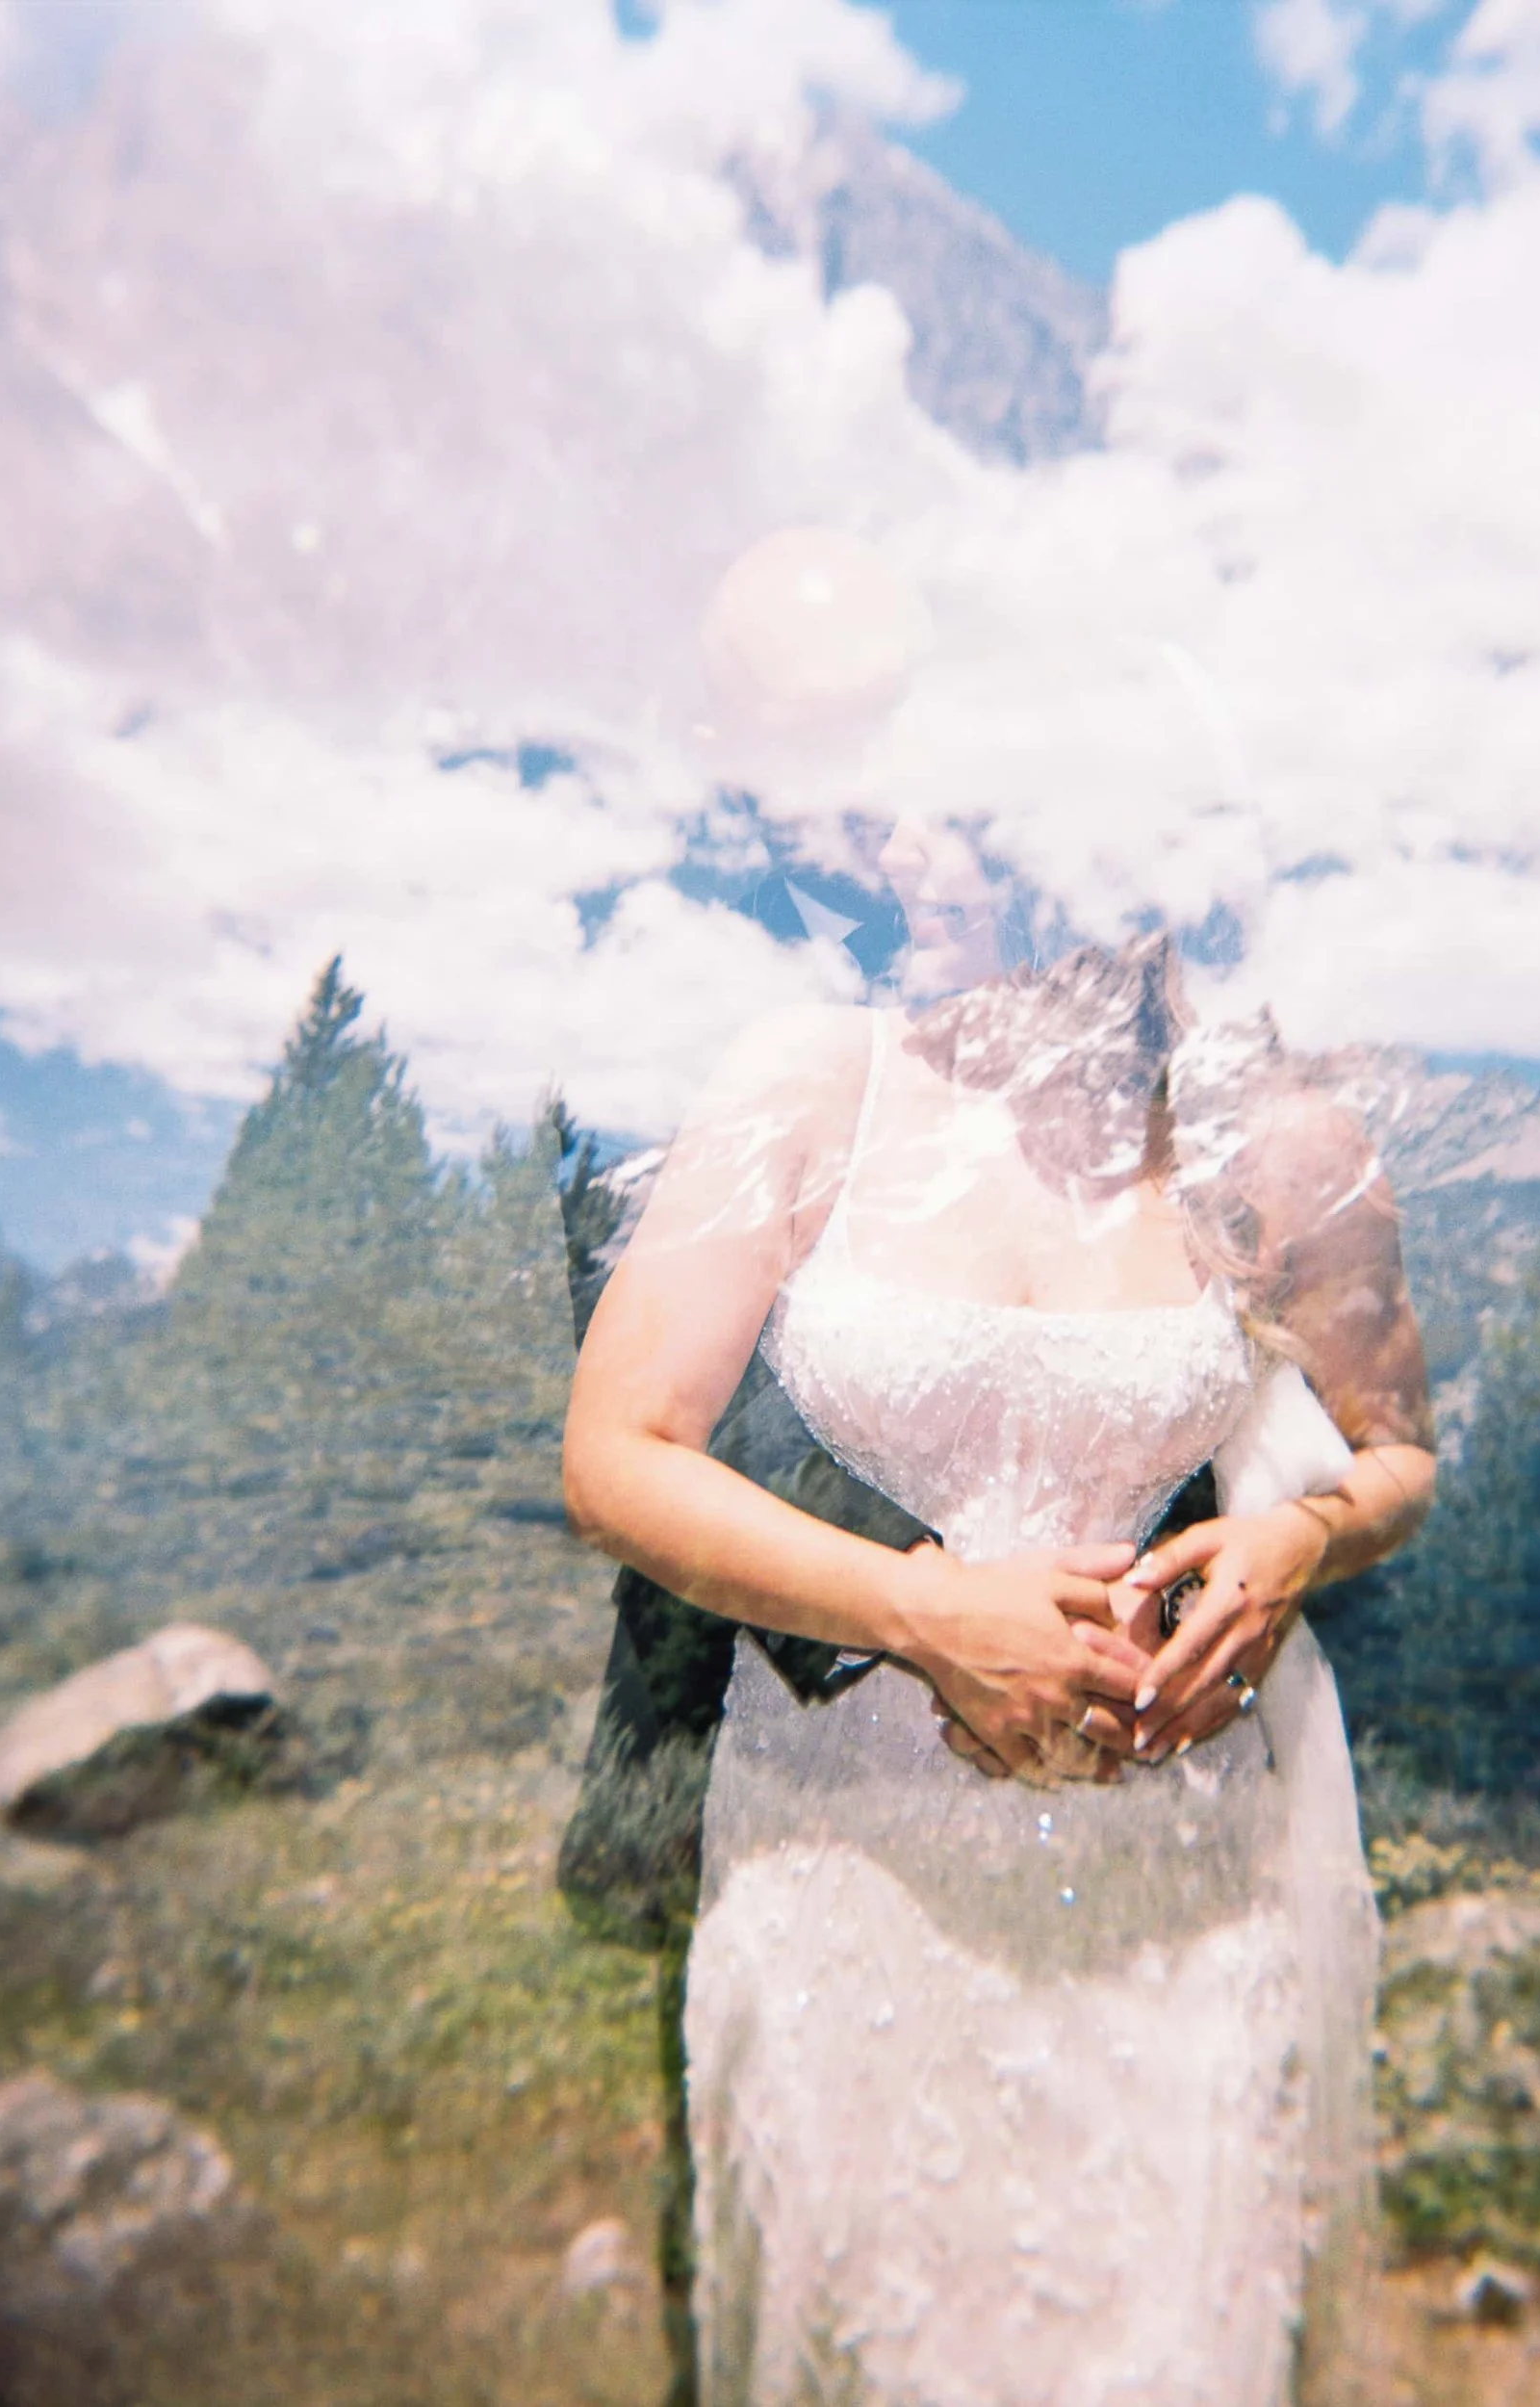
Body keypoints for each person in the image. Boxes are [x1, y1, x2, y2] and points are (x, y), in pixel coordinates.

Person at [563, 816, 1435, 2405]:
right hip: (847, 1875)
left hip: (1177, 1880)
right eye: (905, 813)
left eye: (975, 813)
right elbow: (619, 1456)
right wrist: (922, 1610)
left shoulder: (1271, 1138)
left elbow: (1402, 1459)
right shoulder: (815, 1080)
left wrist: (1296, 1542)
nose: (911, 851)